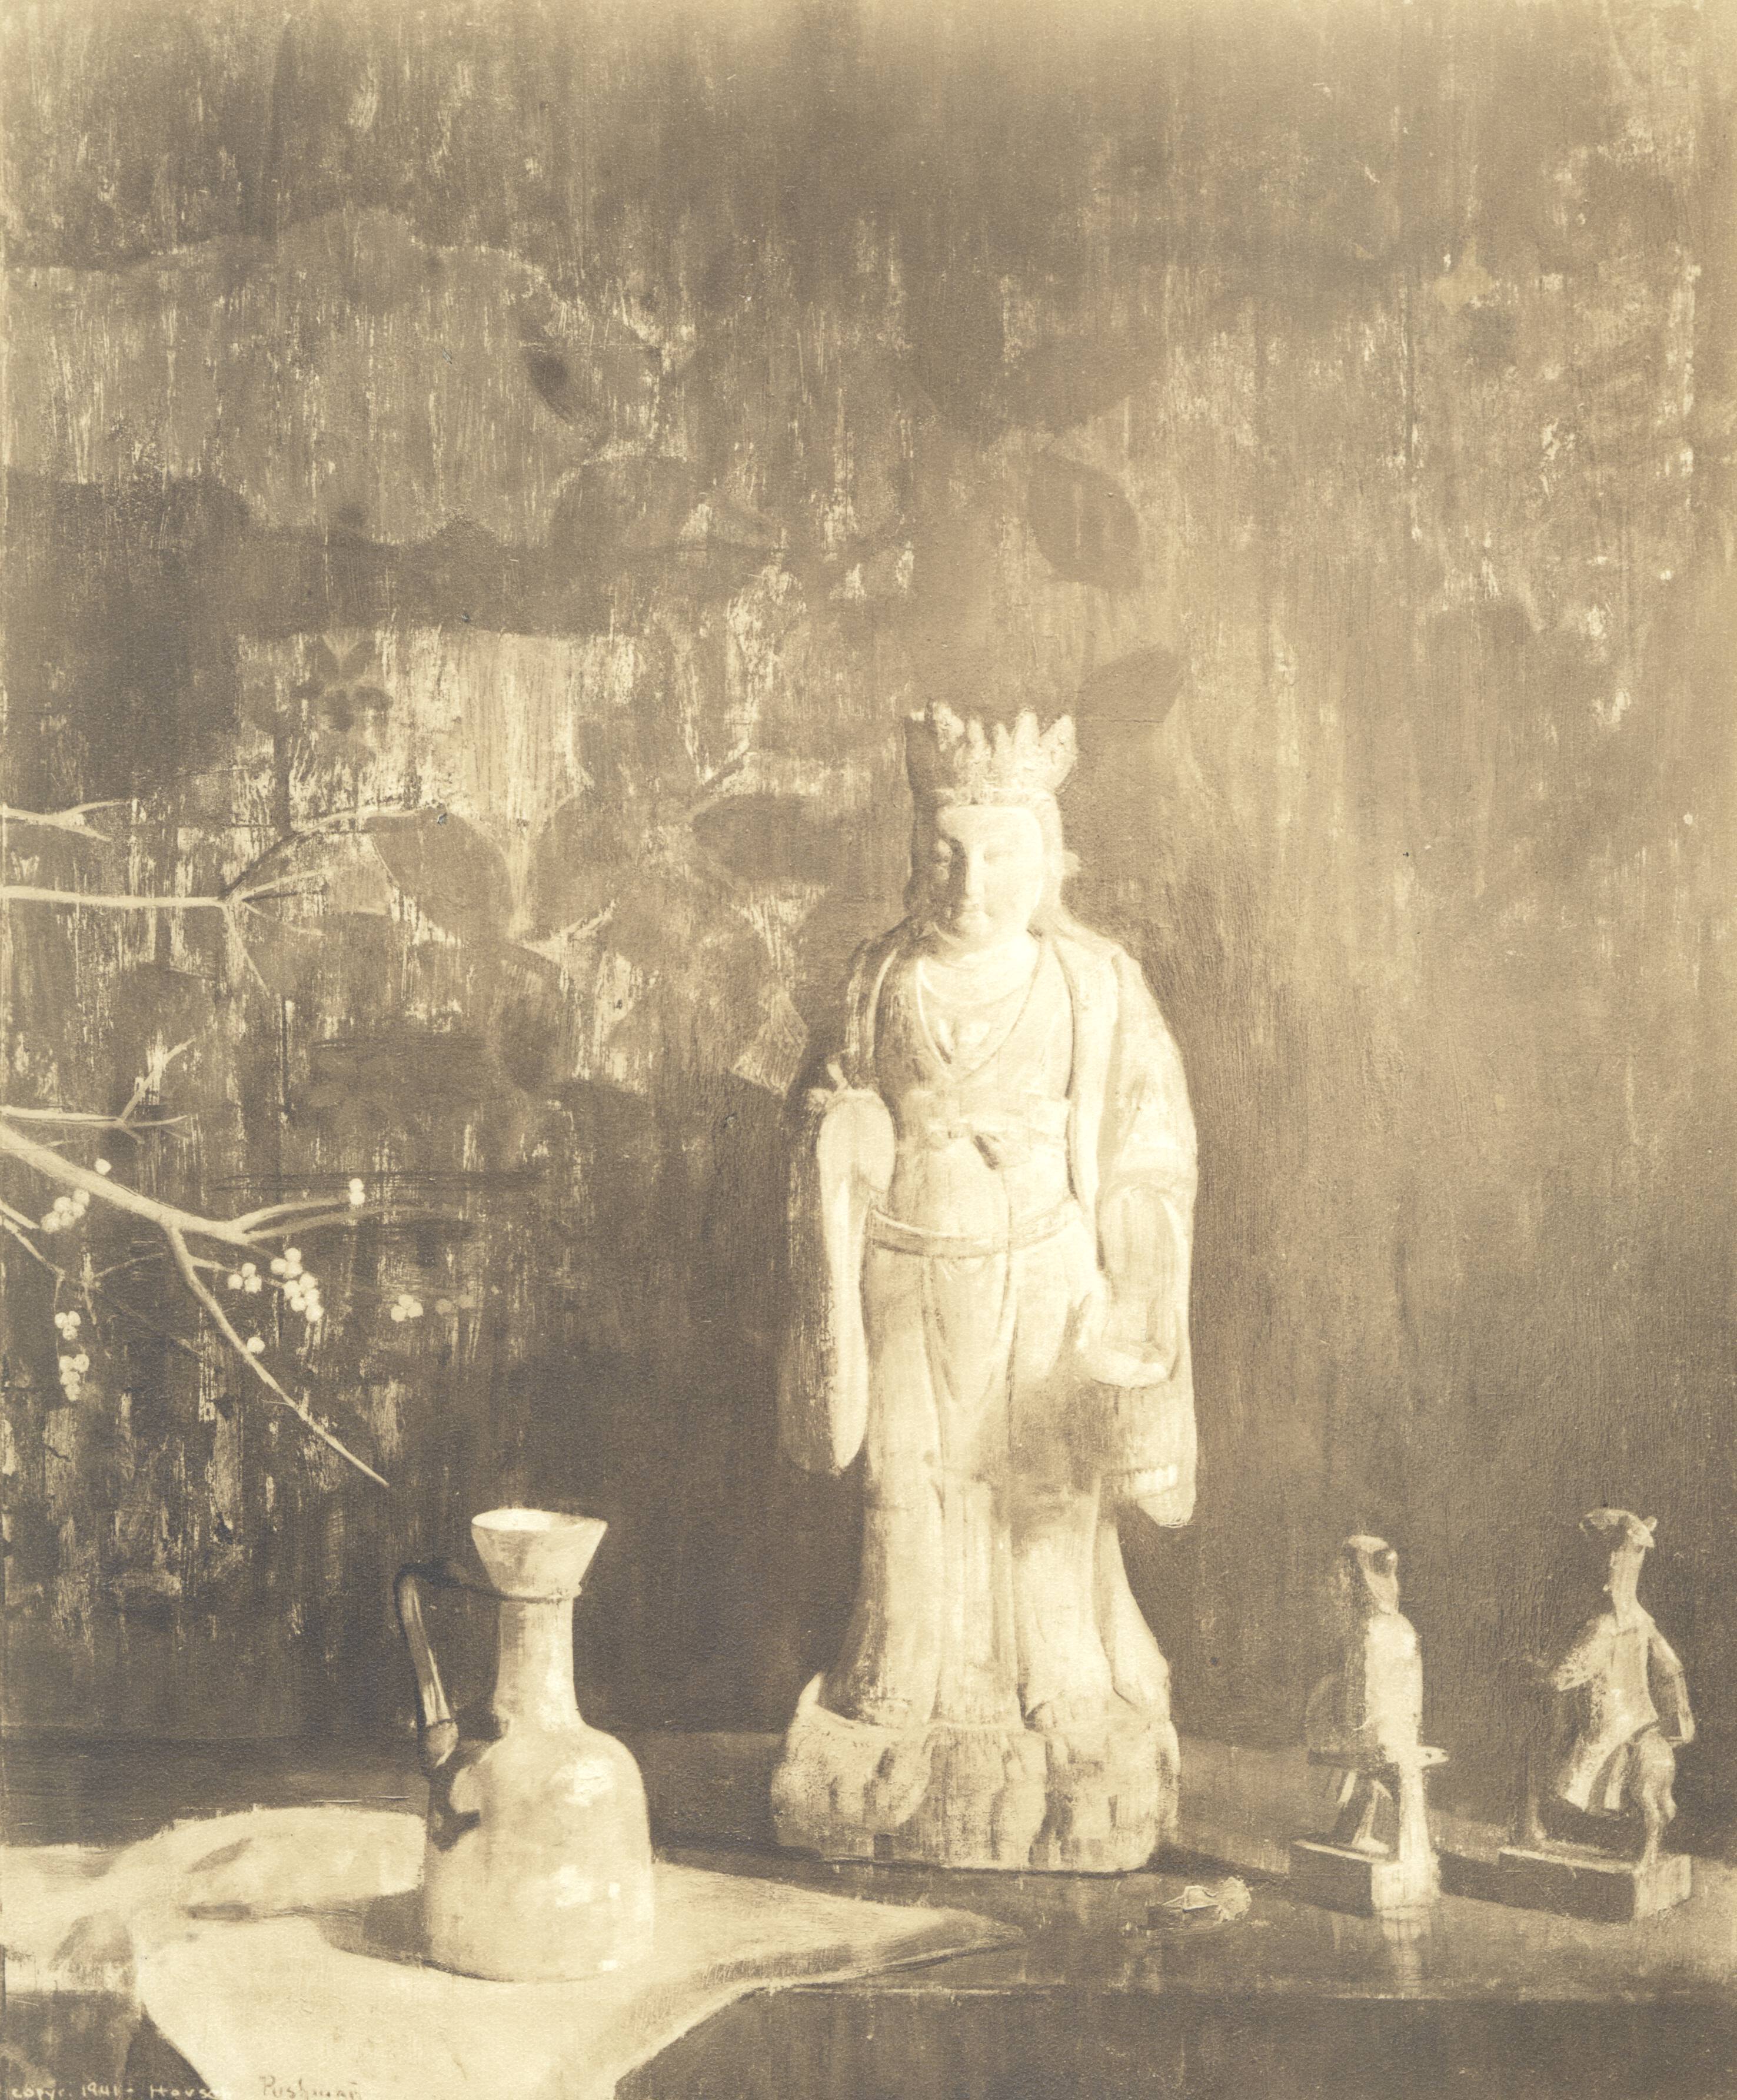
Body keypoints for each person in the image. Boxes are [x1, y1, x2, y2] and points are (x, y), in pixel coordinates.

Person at [771, 703, 1199, 1870]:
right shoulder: (878, 976)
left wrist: (1135, 1262)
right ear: (917, 858)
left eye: (1001, 854)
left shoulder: (1093, 981)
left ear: (1048, 856)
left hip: (1046, 1268)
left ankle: (1062, 1675)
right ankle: (897, 1673)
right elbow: (832, 1105)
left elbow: (1149, 1139)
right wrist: (839, 1137)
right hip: (904, 1264)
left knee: (1045, 1486)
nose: (972, 882)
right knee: (908, 1475)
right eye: (947, 853)